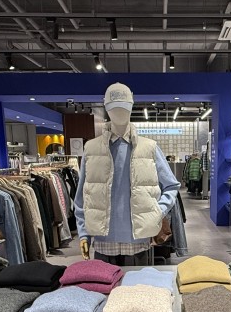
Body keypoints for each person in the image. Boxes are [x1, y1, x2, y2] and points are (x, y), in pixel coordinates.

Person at [74, 83, 180, 266]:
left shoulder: (149, 147)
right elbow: (81, 197)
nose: (119, 113)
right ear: (106, 109)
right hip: (103, 241)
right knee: (105, 284)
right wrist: (84, 234)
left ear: (131, 108)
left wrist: (157, 211)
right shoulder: (91, 148)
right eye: (113, 109)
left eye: (123, 108)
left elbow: (171, 185)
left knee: (137, 284)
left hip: (138, 241)